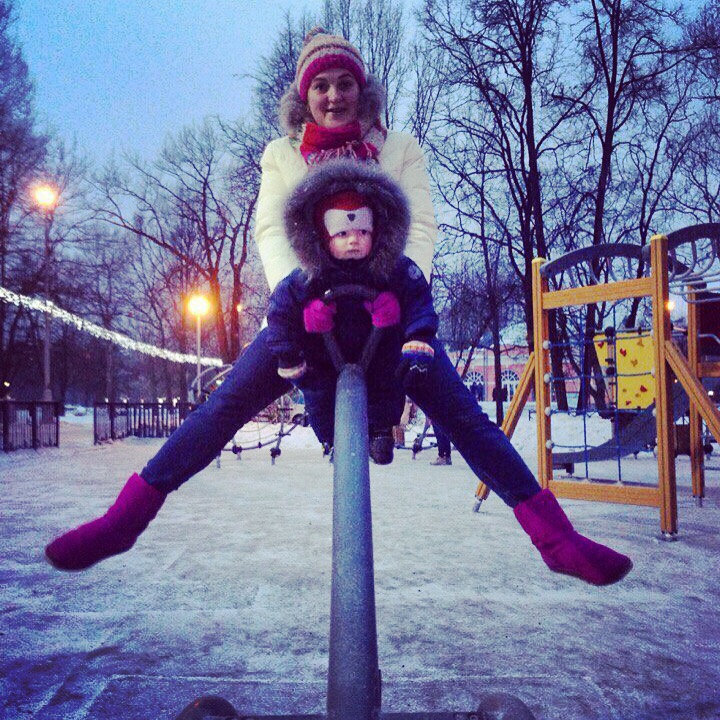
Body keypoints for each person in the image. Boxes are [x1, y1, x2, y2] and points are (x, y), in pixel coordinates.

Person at [45, 29, 632, 587]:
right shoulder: (282, 155)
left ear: (361, 89)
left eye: (344, 83)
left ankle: (556, 540)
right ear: (305, 97)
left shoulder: (397, 149)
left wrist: (399, 287)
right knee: (224, 406)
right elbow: (273, 228)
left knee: (465, 417)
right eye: (320, 86)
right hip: (307, 314)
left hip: (390, 311)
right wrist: (299, 294)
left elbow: (418, 225)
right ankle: (124, 521)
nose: (333, 96)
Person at [266, 160, 438, 465]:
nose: (354, 240)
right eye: (342, 233)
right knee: (319, 391)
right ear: (325, 237)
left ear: (376, 233)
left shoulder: (392, 270)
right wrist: (289, 350)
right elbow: (280, 310)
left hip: (379, 349)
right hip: (324, 356)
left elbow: (417, 295)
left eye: (362, 231)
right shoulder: (308, 277)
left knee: (389, 381)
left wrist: (417, 334)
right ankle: (330, 437)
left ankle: (381, 430)